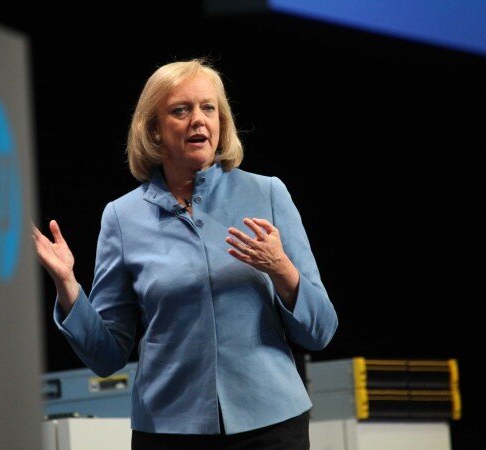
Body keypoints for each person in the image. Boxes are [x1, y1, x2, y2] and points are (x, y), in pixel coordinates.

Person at [32, 58, 338, 450]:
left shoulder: (268, 194)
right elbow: (107, 357)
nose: (198, 120)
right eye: (181, 110)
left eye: (208, 108)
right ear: (154, 130)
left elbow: (320, 332)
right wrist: (68, 287)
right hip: (168, 429)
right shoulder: (122, 217)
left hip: (271, 424)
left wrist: (281, 269)